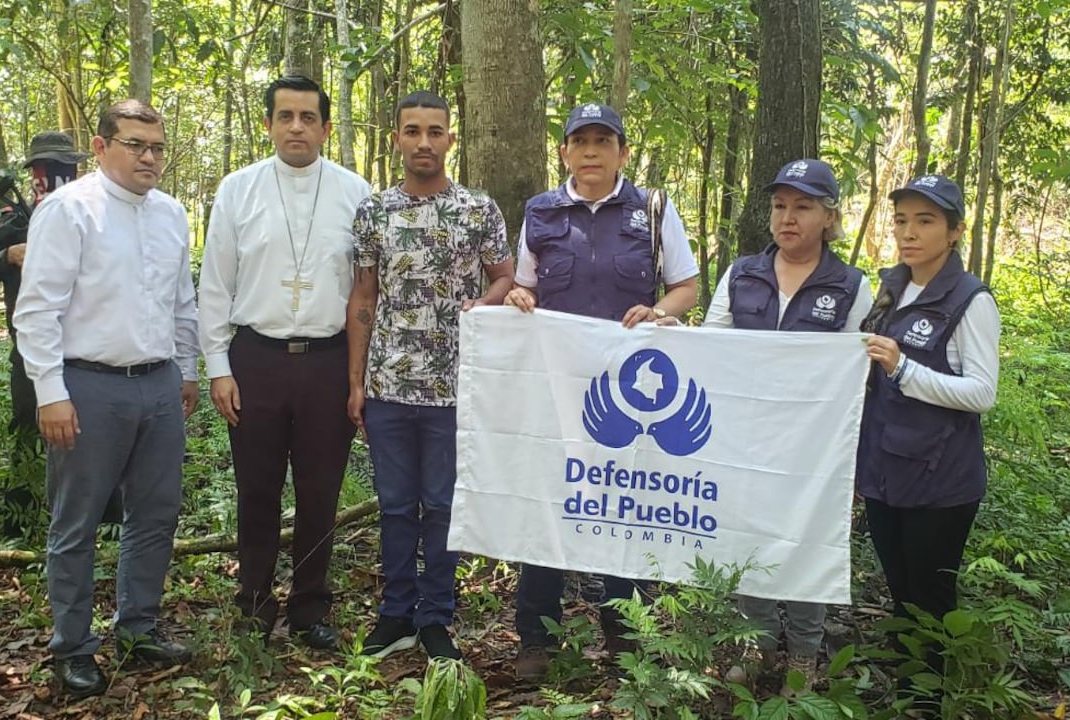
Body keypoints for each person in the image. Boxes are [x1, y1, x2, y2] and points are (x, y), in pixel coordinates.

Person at [503, 102, 699, 680]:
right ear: (563, 151)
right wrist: (518, 299)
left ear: (623, 152)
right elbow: (524, 286)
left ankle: (624, 637)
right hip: (555, 388)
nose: (590, 151)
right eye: (579, 141)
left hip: (628, 397)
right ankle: (536, 639)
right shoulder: (541, 211)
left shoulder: (653, 210)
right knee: (550, 504)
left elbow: (685, 286)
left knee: (623, 504)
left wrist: (660, 312)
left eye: (603, 141)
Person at [13, 99, 200, 698]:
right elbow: (37, 308)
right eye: (135, 145)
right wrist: (50, 393)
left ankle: (138, 625)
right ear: (100, 147)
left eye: (158, 147)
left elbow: (181, 302)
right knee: (79, 520)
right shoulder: (69, 210)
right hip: (86, 385)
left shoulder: (171, 215)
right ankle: (72, 645)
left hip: (158, 383)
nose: (149, 157)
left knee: (156, 512)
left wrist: (187, 371)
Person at [198, 75, 370, 651]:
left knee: (321, 490)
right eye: (285, 116)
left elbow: (366, 291)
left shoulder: (355, 192)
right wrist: (219, 365)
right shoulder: (238, 189)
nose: (296, 127)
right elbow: (216, 284)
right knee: (258, 488)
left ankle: (309, 607)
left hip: (327, 360)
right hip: (257, 358)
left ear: (324, 126)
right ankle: (252, 603)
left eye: (308, 117)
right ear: (269, 124)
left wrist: (358, 374)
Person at [347, 91, 514, 661]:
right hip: (389, 385)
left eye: (435, 131)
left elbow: (503, 278)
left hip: (455, 387)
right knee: (395, 504)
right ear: (396, 138)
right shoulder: (374, 211)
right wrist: (356, 383)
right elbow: (364, 296)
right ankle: (395, 612)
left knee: (442, 505)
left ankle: (436, 615)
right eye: (412, 131)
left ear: (450, 138)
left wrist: (484, 302)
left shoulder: (477, 209)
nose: (424, 141)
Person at [703, 159, 873, 696]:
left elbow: (859, 373)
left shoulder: (850, 286)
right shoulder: (742, 273)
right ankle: (755, 644)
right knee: (749, 536)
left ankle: (804, 653)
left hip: (814, 447)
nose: (788, 218)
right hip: (746, 437)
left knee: (807, 540)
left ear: (829, 216)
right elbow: (711, 346)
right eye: (780, 206)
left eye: (803, 206)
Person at [858, 174, 999, 710]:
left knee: (930, 597)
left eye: (925, 221)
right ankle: (905, 689)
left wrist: (903, 367)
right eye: (901, 220)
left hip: (942, 480)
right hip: (885, 468)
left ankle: (925, 702)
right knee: (899, 593)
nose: (908, 232)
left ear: (955, 231)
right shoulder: (893, 285)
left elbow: (981, 392)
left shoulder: (970, 300)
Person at [0, 132, 126, 537]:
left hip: (90, 347)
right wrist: (10, 255)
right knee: (27, 426)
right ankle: (18, 521)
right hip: (31, 349)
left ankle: (107, 518)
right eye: (47, 169)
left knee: (95, 431)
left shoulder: (97, 213)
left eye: (62, 168)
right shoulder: (13, 220)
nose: (53, 176)